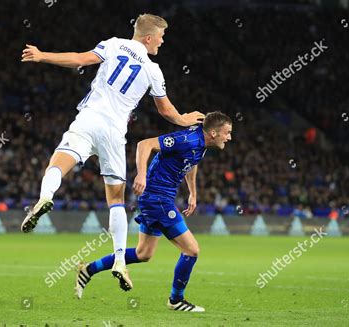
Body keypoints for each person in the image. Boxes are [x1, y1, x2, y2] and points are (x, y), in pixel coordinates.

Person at [19, 13, 205, 292]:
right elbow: (165, 110)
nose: (163, 42)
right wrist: (185, 119)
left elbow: (79, 60)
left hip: (89, 119)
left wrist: (42, 55)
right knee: (115, 198)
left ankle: (46, 197)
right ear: (148, 37)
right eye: (162, 37)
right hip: (115, 133)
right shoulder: (153, 70)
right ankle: (119, 260)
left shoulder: (113, 44)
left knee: (57, 164)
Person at [75, 112, 232, 312]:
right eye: (227, 133)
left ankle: (88, 269)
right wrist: (142, 175)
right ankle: (176, 299)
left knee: (143, 253)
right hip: (158, 198)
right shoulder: (186, 139)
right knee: (192, 250)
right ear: (213, 132)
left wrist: (193, 192)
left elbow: (191, 163)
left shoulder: (201, 144)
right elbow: (144, 144)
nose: (229, 137)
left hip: (158, 199)